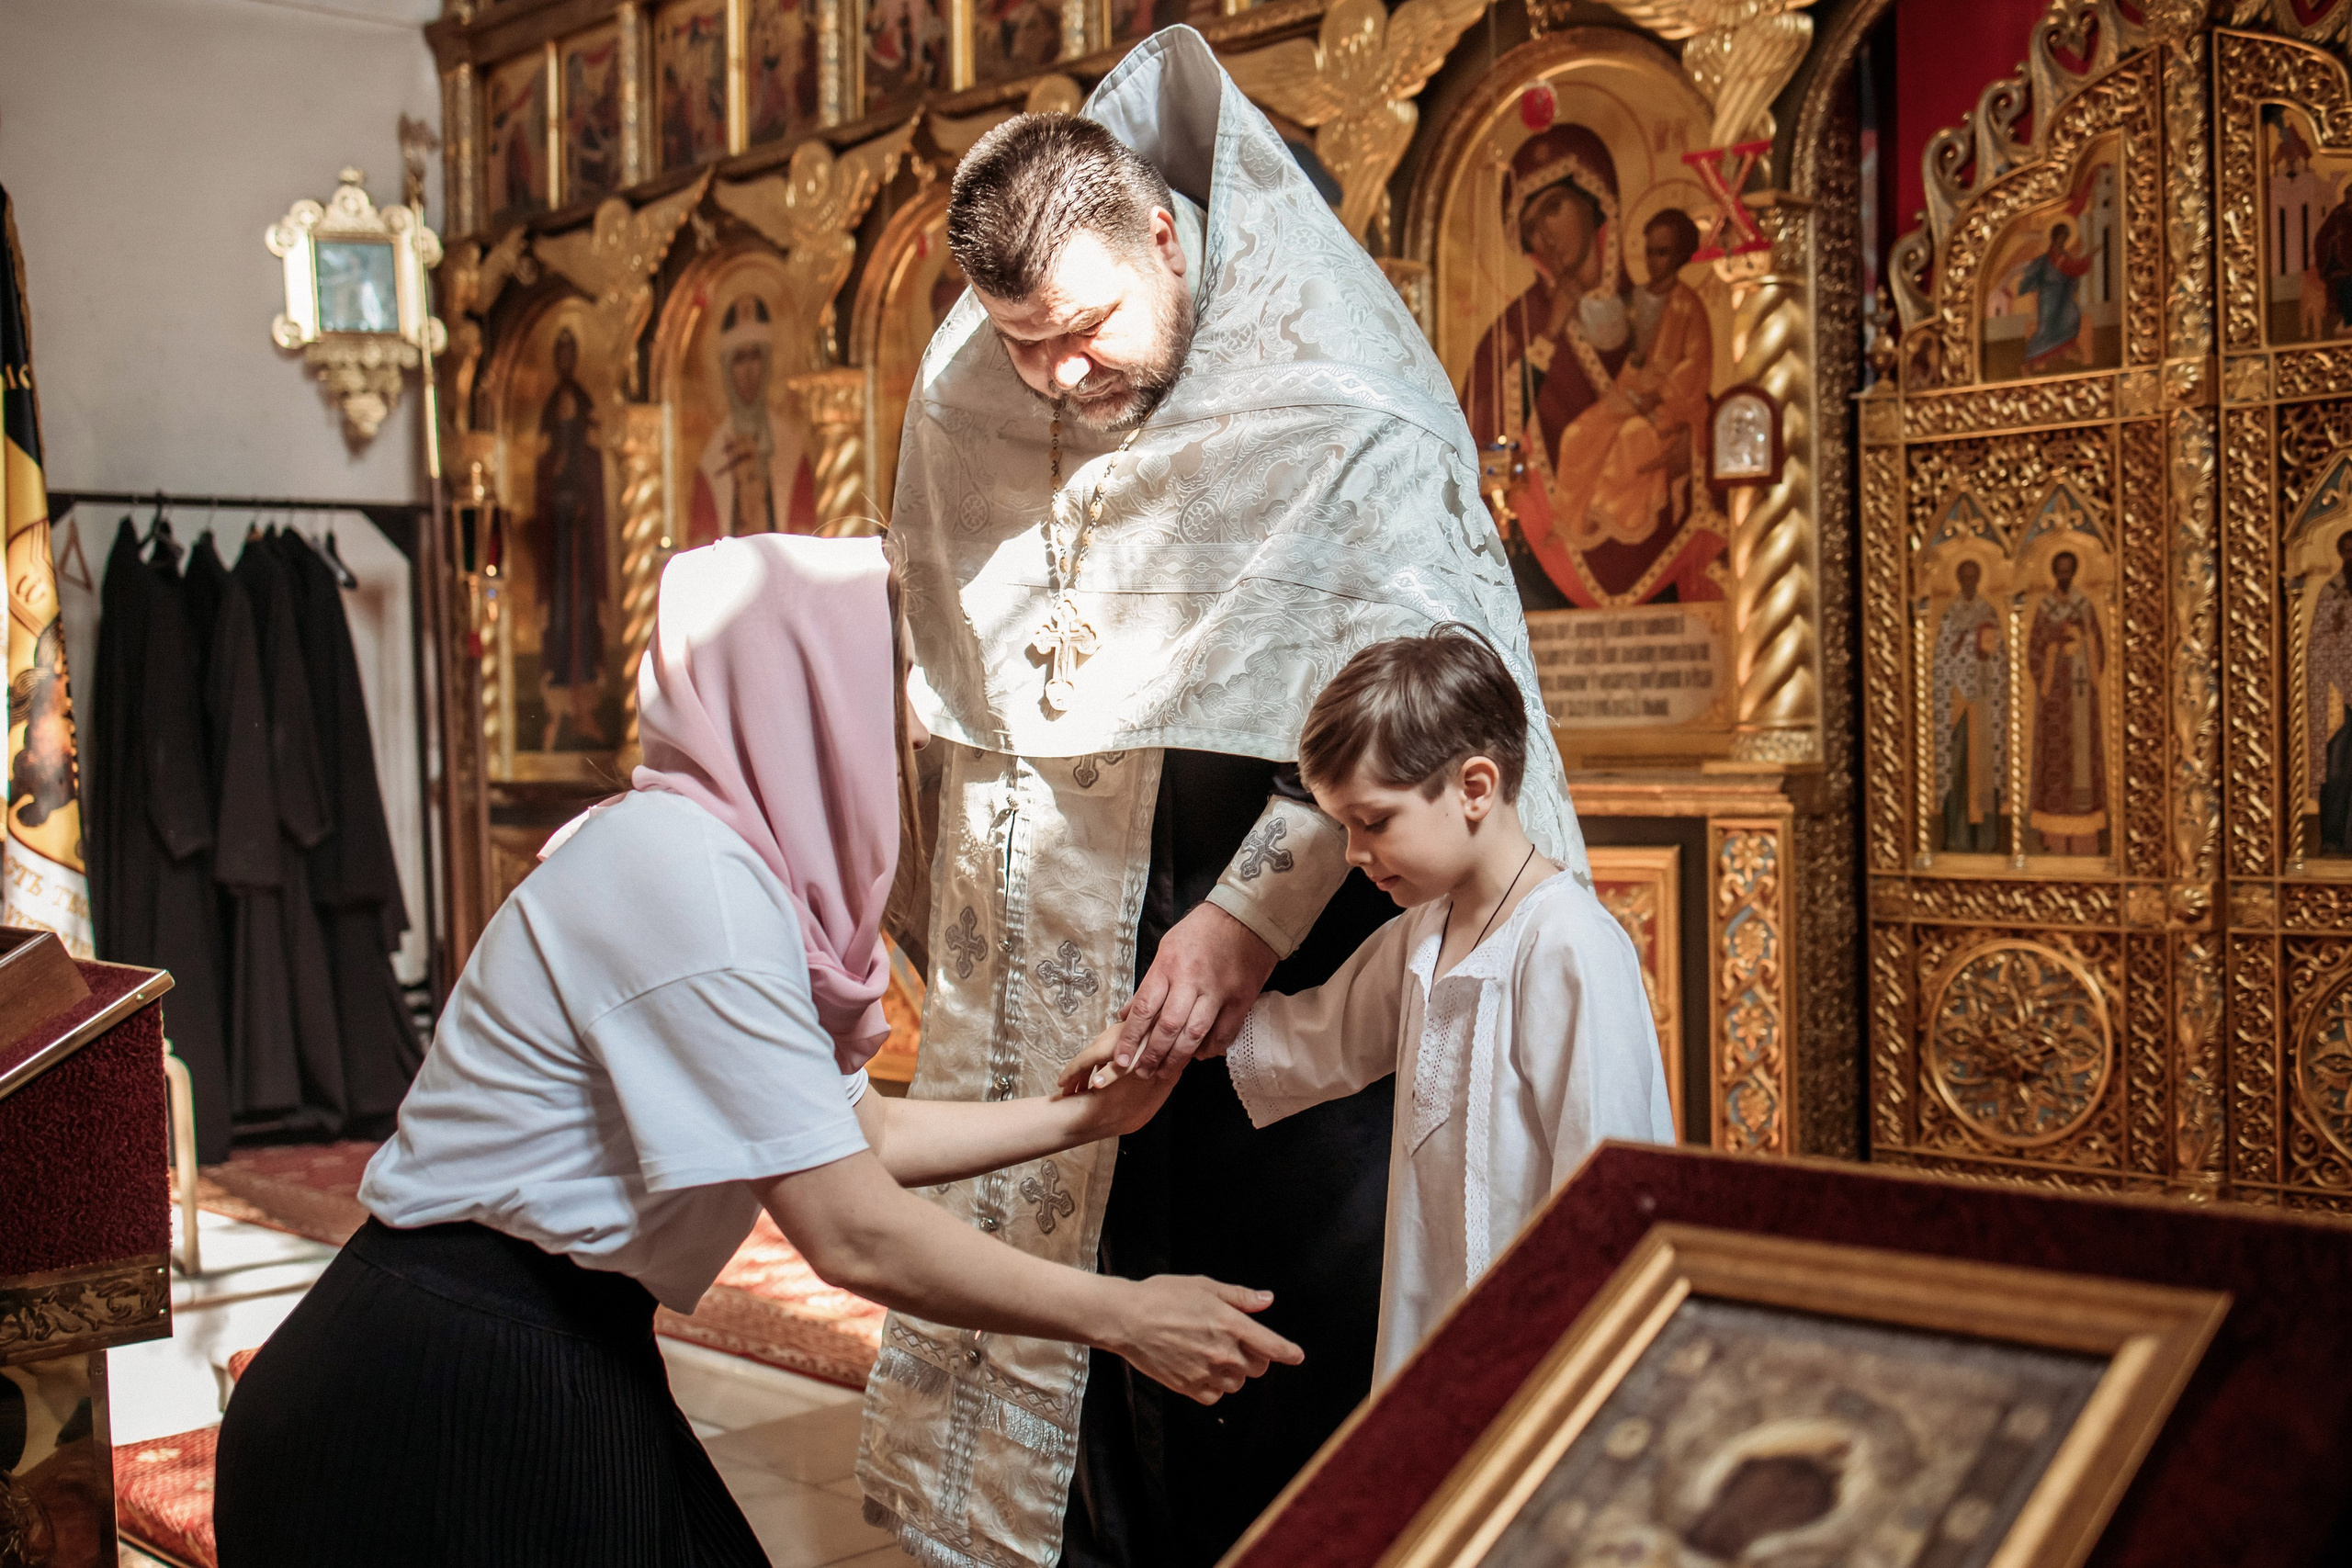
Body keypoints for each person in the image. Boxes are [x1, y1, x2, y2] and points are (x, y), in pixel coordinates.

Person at [211, 534, 1299, 1566]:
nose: (915, 732)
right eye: (898, 682)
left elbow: (854, 1134)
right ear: (810, 696)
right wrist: (1126, 1315)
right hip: (443, 1382)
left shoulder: (710, 865)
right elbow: (850, 1233)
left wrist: (1087, 1118)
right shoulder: (688, 880)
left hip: (541, 1339)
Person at [865, 27, 1589, 1568]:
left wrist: (1243, 920)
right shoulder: (968, 393)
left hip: (1308, 916)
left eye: (1089, 331)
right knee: (1094, 1303)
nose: (1063, 378)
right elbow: (955, 692)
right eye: (1025, 345)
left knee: (1281, 1331)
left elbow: (1424, 692)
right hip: (1071, 917)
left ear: (1159, 234)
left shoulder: (1342, 389)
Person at [1061, 629, 1674, 1379]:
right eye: (1344, 825)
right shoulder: (1424, 932)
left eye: (1373, 822)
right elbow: (1315, 1036)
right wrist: (1146, 1036)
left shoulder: (1569, 945)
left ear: (1474, 788)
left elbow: (1611, 1183)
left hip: (1555, 1337)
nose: (1352, 852)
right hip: (1433, 1312)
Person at [531, 326, 611, 748]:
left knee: (582, 613)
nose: (564, 360)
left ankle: (585, 710)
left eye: (569, 352)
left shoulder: (583, 401)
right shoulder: (550, 409)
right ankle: (556, 710)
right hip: (557, 540)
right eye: (558, 352)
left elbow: (594, 463)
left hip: (580, 535)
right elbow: (544, 469)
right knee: (560, 618)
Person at [685, 292, 819, 544]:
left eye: (755, 356)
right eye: (739, 358)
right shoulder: (712, 459)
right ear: (726, 368)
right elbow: (701, 544)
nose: (748, 370)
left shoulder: (790, 448)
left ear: (768, 361)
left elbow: (807, 535)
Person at [2026, 549, 2106, 855]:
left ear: (2074, 572)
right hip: (2056, 701)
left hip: (2082, 698)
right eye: (2058, 570)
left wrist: (2082, 643)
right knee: (2056, 761)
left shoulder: (2085, 606)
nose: (2063, 576)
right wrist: (2057, 649)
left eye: (2068, 570)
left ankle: (2086, 839)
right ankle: (2054, 839)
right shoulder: (2045, 609)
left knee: (2083, 762)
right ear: (2053, 572)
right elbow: (2035, 649)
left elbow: (2098, 645)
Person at [1933, 558, 2006, 854]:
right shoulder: (1949, 615)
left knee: (1984, 772)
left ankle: (1987, 840)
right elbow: (1940, 659)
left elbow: (1999, 660)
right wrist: (1959, 645)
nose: (1968, 582)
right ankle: (1958, 838)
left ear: (1979, 579)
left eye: (1973, 577)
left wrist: (1984, 657)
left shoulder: (1988, 613)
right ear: (1958, 579)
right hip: (1957, 704)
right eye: (1963, 577)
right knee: (1957, 769)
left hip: (1983, 704)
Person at [2312, 528, 2352, 852]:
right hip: (2342, 692)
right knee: (2337, 766)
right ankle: (2333, 839)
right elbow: (2317, 646)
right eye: (2347, 551)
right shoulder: (2331, 592)